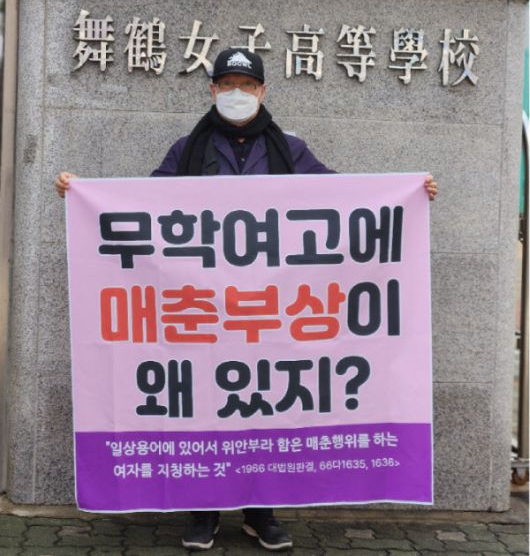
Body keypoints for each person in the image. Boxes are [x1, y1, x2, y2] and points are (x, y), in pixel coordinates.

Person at [55, 47, 438, 551]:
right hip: (203, 308)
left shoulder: (290, 149)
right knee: (208, 400)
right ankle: (203, 511)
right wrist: (84, 196)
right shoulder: (187, 150)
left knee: (263, 404)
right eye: (228, 84)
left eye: (247, 85)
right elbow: (143, 206)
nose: (237, 94)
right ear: (212, 89)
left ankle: (262, 513)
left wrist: (407, 195)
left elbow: (343, 197)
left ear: (262, 91)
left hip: (270, 312)